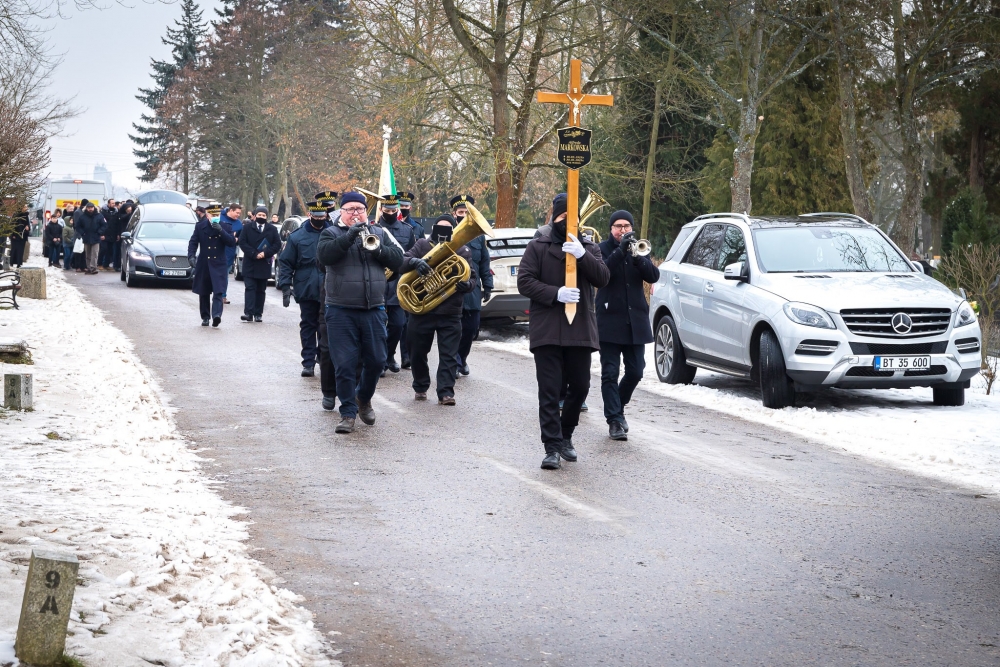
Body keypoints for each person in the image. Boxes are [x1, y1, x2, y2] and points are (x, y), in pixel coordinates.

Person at [517, 193, 610, 470]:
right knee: (549, 390)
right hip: (547, 330)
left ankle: (566, 434)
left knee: (580, 387)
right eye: (562, 218)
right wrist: (554, 293)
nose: (567, 223)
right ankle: (552, 447)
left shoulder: (589, 248)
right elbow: (525, 281)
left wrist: (582, 256)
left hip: (580, 329)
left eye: (572, 219)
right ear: (554, 218)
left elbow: (603, 278)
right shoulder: (538, 246)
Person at [316, 191, 404, 434]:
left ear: (367, 212)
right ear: (341, 212)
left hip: (374, 308)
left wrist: (378, 251)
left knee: (376, 361)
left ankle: (363, 398)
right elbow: (324, 258)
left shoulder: (379, 233)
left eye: (360, 209)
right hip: (340, 310)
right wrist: (348, 238)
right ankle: (347, 413)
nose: (356, 213)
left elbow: (398, 261)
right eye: (350, 209)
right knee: (344, 365)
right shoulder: (330, 233)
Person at [596, 211, 660, 441]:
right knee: (610, 373)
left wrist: (637, 258)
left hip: (636, 322)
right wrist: (619, 250)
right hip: (609, 319)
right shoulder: (601, 249)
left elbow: (653, 275)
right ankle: (614, 420)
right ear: (610, 229)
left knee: (636, 371)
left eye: (626, 226)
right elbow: (601, 274)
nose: (622, 230)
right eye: (617, 226)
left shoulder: (639, 249)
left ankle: (618, 405)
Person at [401, 214, 475, 405]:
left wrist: (467, 285)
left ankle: (446, 392)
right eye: (439, 228)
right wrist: (414, 263)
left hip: (451, 312)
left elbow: (472, 277)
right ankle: (420, 386)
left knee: (449, 355)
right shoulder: (421, 246)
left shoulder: (462, 250)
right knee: (417, 352)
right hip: (422, 311)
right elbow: (402, 262)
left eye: (447, 228)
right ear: (433, 229)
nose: (443, 231)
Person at [278, 201, 330, 377]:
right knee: (308, 325)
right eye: (316, 216)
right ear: (310, 215)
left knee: (326, 326)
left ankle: (324, 359)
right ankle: (308, 362)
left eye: (322, 217)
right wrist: (285, 286)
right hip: (306, 286)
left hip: (330, 288)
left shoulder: (334, 233)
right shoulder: (297, 237)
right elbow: (286, 262)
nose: (319, 219)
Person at [376, 193, 416, 375]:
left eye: (393, 210)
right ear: (381, 210)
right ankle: (381, 360)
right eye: (387, 209)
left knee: (398, 325)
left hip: (399, 286)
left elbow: (412, 256)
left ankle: (389, 355)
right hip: (378, 284)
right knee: (377, 326)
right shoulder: (374, 228)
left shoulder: (407, 230)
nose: (390, 212)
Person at [188, 205, 237, 327]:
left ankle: (216, 315)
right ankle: (205, 317)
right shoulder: (200, 226)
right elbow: (193, 242)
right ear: (208, 215)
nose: (215, 217)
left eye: (217, 215)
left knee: (218, 291)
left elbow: (231, 242)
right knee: (203, 292)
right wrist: (191, 256)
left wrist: (221, 230)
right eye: (213, 215)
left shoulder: (226, 226)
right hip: (204, 262)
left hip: (219, 263)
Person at [239, 206, 280, 322]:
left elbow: (276, 244)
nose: (261, 217)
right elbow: (242, 242)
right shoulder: (247, 228)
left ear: (267, 217)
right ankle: (248, 313)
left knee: (261, 290)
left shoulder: (272, 229)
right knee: (250, 288)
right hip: (250, 262)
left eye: (264, 215)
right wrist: (253, 253)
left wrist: (265, 253)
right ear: (255, 215)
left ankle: (258, 313)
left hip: (264, 263)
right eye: (259, 215)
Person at [76, 201, 107, 275]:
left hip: (96, 237)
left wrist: (99, 232)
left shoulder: (99, 216)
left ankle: (93, 268)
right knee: (88, 254)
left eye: (91, 207)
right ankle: (89, 268)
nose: (90, 209)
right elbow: (77, 226)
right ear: (86, 208)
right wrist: (83, 233)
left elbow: (104, 225)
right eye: (89, 208)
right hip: (86, 237)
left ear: (94, 208)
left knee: (95, 253)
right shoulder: (82, 216)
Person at [222, 204, 243, 303]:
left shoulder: (239, 224)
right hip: (216, 251)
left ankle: (223, 296)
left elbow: (241, 238)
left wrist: (237, 239)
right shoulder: (220, 218)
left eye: (239, 213)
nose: (238, 215)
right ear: (230, 210)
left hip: (229, 252)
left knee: (224, 275)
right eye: (237, 213)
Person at [99, 199, 118, 270]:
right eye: (112, 203)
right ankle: (99, 263)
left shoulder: (116, 212)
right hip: (104, 234)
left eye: (114, 203)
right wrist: (101, 234)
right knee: (103, 249)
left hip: (112, 234)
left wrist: (117, 234)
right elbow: (100, 224)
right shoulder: (103, 212)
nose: (113, 204)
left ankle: (106, 264)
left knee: (110, 250)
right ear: (108, 204)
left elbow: (117, 224)